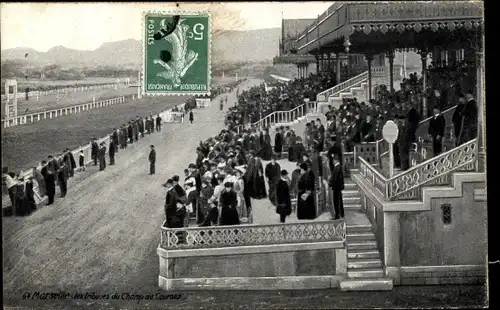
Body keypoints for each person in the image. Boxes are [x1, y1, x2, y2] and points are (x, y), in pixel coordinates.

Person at [328, 154, 345, 220]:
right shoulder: (338, 167)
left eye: (333, 160)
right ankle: (341, 213)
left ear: (335, 160)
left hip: (336, 187)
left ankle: (337, 215)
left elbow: (335, 178)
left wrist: (330, 183)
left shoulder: (337, 167)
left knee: (336, 201)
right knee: (339, 201)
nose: (332, 161)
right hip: (338, 187)